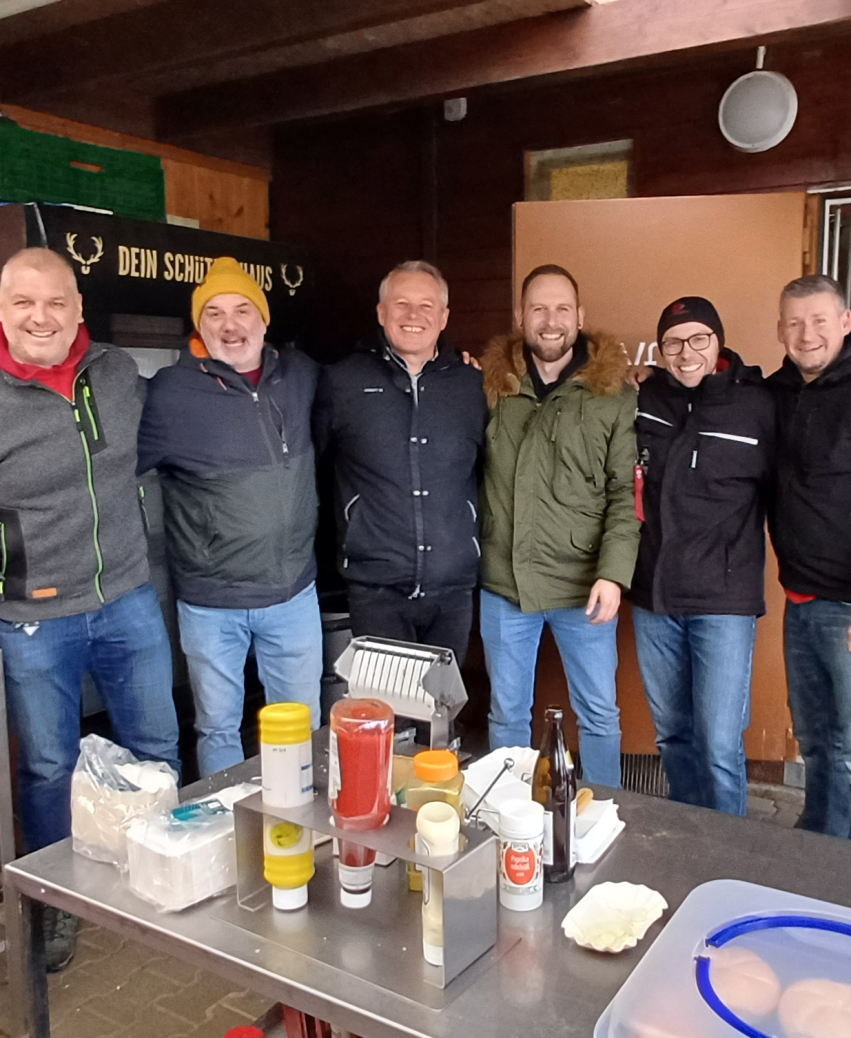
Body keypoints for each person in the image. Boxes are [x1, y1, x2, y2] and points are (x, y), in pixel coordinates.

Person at [0, 247, 179, 970]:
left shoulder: (116, 373)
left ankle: (161, 873)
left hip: (127, 597)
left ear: (78, 308)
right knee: (48, 766)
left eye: (55, 302)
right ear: (2, 310)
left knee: (156, 748)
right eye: (22, 302)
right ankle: (54, 904)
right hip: (34, 616)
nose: (40, 317)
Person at [138, 257, 321, 777]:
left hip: (291, 594)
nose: (230, 325)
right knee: (218, 728)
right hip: (211, 601)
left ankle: (292, 817)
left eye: (242, 310)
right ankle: (225, 820)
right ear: (200, 326)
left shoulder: (300, 375)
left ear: (264, 320)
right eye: (213, 313)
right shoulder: (169, 393)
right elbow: (112, 469)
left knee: (300, 726)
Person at [479, 264, 639, 784]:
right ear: (520, 316)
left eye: (562, 309)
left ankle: (605, 812)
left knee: (599, 715)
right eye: (539, 309)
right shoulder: (490, 384)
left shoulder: (613, 394)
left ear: (580, 317)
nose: (551, 321)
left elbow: (625, 493)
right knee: (507, 715)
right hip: (505, 583)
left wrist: (613, 574)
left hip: (584, 586)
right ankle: (508, 814)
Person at [630, 297, 775, 816]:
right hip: (655, 598)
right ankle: (685, 836)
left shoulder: (757, 404)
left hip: (723, 602)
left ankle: (727, 849)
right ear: (660, 350)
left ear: (718, 342)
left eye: (698, 339)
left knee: (718, 745)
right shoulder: (646, 396)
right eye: (672, 342)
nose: (686, 352)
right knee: (672, 735)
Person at [314, 260, 488, 668]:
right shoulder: (342, 382)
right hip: (376, 590)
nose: (413, 315)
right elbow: (311, 471)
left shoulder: (473, 386)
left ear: (443, 317)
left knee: (441, 705)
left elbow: (488, 471)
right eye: (401, 303)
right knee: (385, 706)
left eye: (427, 305)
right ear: (381, 312)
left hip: (453, 589)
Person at [770, 274, 851, 839]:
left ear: (845, 322)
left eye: (820, 320)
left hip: (846, 606)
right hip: (799, 600)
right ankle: (819, 832)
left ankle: (833, 859)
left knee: (847, 743)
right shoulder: (775, 391)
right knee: (816, 738)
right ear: (780, 330)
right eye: (795, 323)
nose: (808, 334)